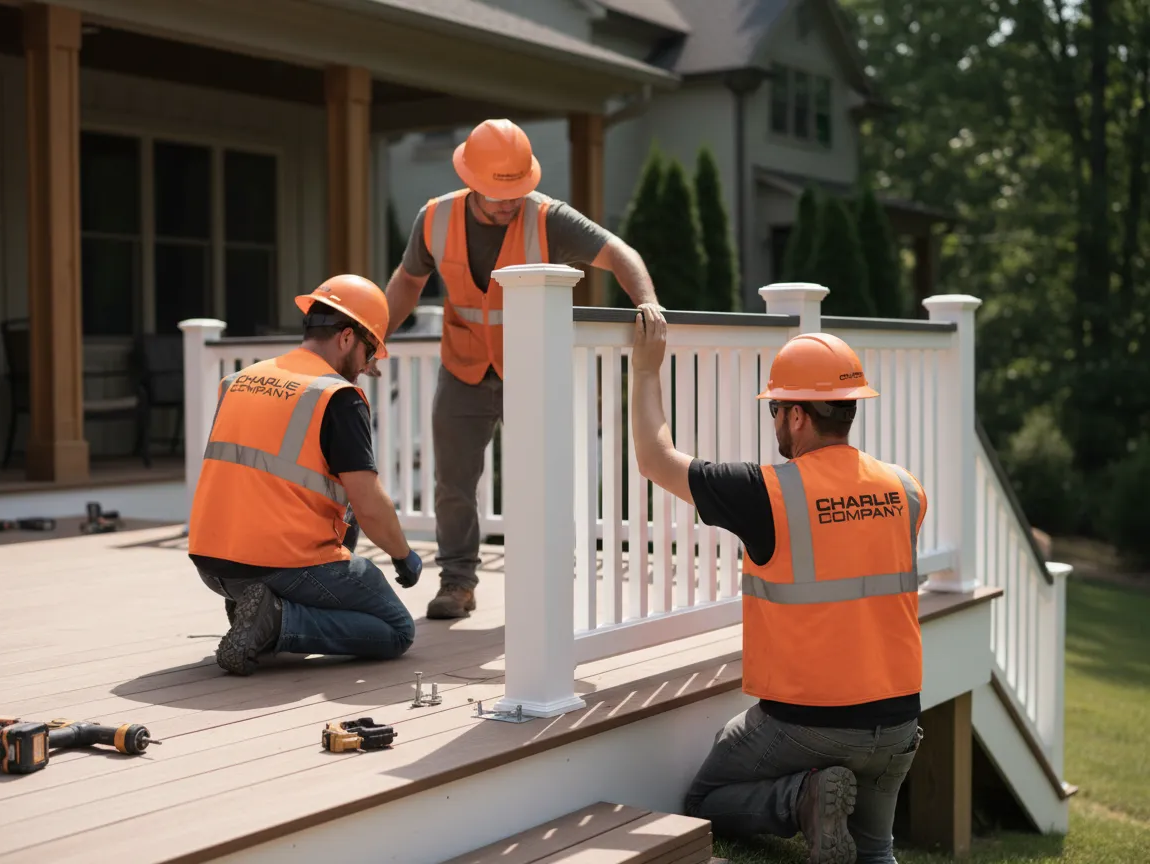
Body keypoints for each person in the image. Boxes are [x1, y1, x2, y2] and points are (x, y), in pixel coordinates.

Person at [628, 306, 927, 864]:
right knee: (875, 851)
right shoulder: (906, 490)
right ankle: (839, 813)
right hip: (899, 725)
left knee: (705, 798)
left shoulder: (767, 493)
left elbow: (653, 458)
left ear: (795, 416)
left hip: (808, 727)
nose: (775, 425)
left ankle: (804, 798)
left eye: (775, 412)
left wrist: (646, 369)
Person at [376, 118, 663, 619]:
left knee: (544, 480)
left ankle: (552, 579)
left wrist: (647, 302)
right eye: (496, 195)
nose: (509, 204)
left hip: (530, 372)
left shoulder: (548, 218)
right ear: (471, 181)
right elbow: (406, 281)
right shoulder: (435, 219)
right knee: (453, 483)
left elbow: (619, 253)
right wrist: (374, 335)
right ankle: (458, 583)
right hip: (462, 368)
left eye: (516, 192)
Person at [187, 275, 423, 676]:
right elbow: (368, 503)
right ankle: (278, 619)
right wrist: (404, 556)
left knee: (339, 527)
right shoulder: (336, 396)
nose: (367, 368)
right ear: (347, 338)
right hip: (279, 564)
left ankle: (259, 609)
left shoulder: (239, 381)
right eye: (370, 353)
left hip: (212, 565)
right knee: (396, 629)